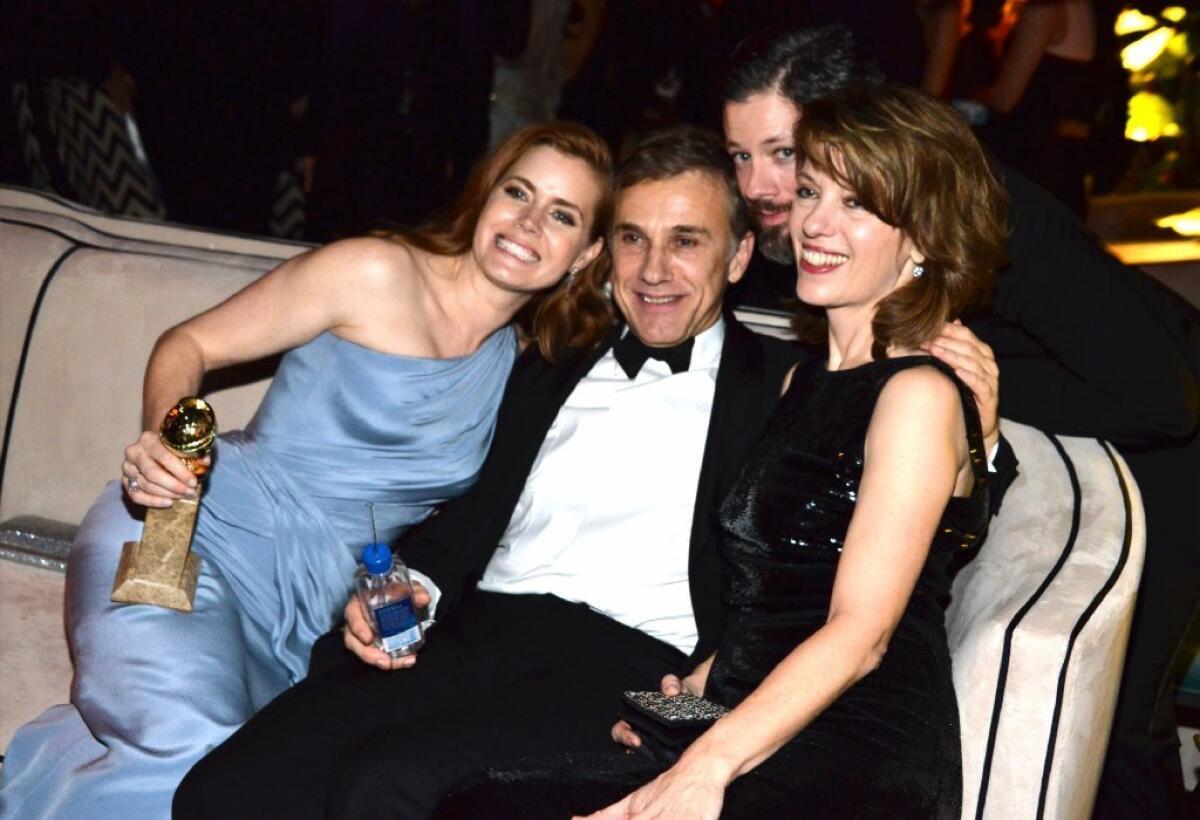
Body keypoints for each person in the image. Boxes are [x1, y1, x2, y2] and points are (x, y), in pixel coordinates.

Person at [173, 124, 1005, 819]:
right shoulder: (547, 352)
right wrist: (411, 585)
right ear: (603, 253)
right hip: (471, 629)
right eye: (634, 240)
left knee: (383, 787)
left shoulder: (785, 383)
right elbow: (464, 508)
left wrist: (986, 434)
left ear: (743, 254)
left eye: (688, 242)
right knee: (223, 794)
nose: (654, 271)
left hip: (625, 660)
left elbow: (881, 508)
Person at [0, 121, 613, 820]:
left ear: (585, 253)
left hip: (307, 616)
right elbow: (188, 343)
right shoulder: (375, 271)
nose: (528, 222)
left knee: (257, 781)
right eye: (518, 192)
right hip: (198, 534)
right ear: (484, 196)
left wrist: (394, 616)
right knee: (191, 759)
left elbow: (423, 536)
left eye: (561, 215)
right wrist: (171, 446)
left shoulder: (516, 369)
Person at [435, 81, 1003, 820]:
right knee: (479, 799)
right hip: (754, 721)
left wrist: (703, 767)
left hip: (851, 756)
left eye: (856, 204)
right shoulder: (806, 379)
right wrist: (687, 696)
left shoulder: (915, 395)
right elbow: (780, 598)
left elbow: (861, 634)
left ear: (921, 236)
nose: (814, 224)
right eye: (809, 192)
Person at [719, 25, 1200, 818]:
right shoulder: (809, 228)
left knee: (1112, 735)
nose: (764, 187)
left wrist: (965, 392)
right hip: (1023, 439)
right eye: (740, 156)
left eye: (781, 153)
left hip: (1164, 459)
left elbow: (1165, 398)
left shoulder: (984, 210)